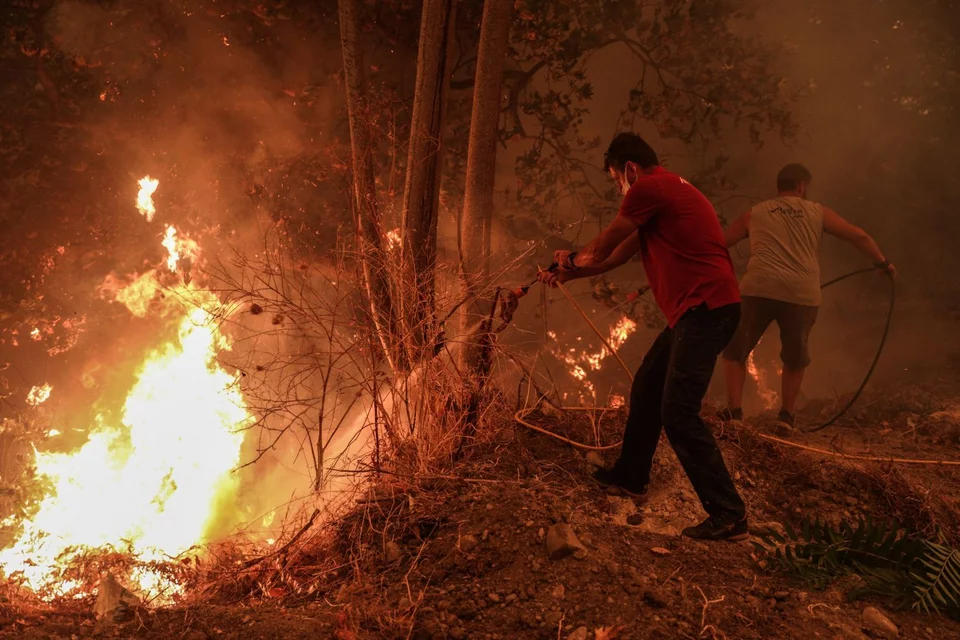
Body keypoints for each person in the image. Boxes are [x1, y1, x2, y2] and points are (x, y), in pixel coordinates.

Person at [539, 132, 748, 542]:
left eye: (617, 180)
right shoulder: (667, 192)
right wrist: (571, 271)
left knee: (678, 411)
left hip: (706, 309)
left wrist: (569, 257)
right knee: (648, 387)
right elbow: (614, 258)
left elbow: (600, 249)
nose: (619, 190)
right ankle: (631, 476)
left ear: (630, 169)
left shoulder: (650, 188)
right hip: (698, 310)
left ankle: (729, 514)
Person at [718, 163, 896, 430]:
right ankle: (786, 418)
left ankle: (734, 415)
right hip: (801, 294)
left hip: (758, 289)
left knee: (735, 350)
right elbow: (858, 235)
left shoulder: (754, 213)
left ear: (780, 187)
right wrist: (883, 264)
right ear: (802, 186)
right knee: (795, 356)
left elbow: (719, 244)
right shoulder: (818, 212)